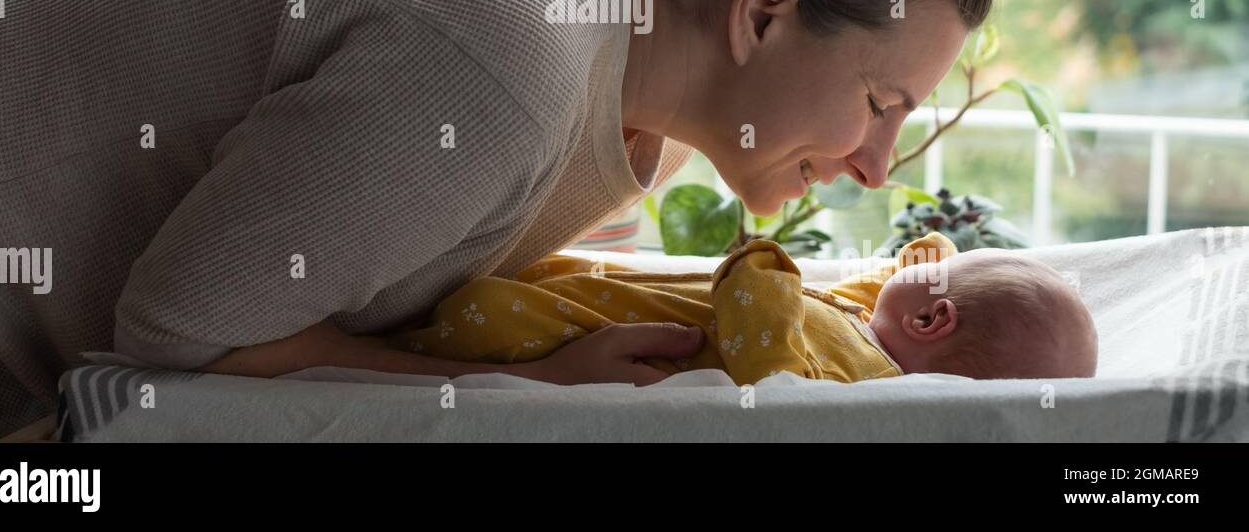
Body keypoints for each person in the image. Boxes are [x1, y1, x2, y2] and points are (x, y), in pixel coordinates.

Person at [0, 0, 992, 439]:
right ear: (763, 11)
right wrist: (518, 386)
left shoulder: (634, 93)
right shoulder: (503, 58)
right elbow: (182, 328)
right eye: (879, 104)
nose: (874, 163)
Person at [376, 231, 1098, 383]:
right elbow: (879, 286)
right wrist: (933, 264)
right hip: (591, 291)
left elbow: (769, 375)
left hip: (574, 332)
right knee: (548, 267)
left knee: (495, 313)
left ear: (934, 321)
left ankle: (394, 346)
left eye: (944, 278)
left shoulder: (851, 390)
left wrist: (766, 272)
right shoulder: (871, 332)